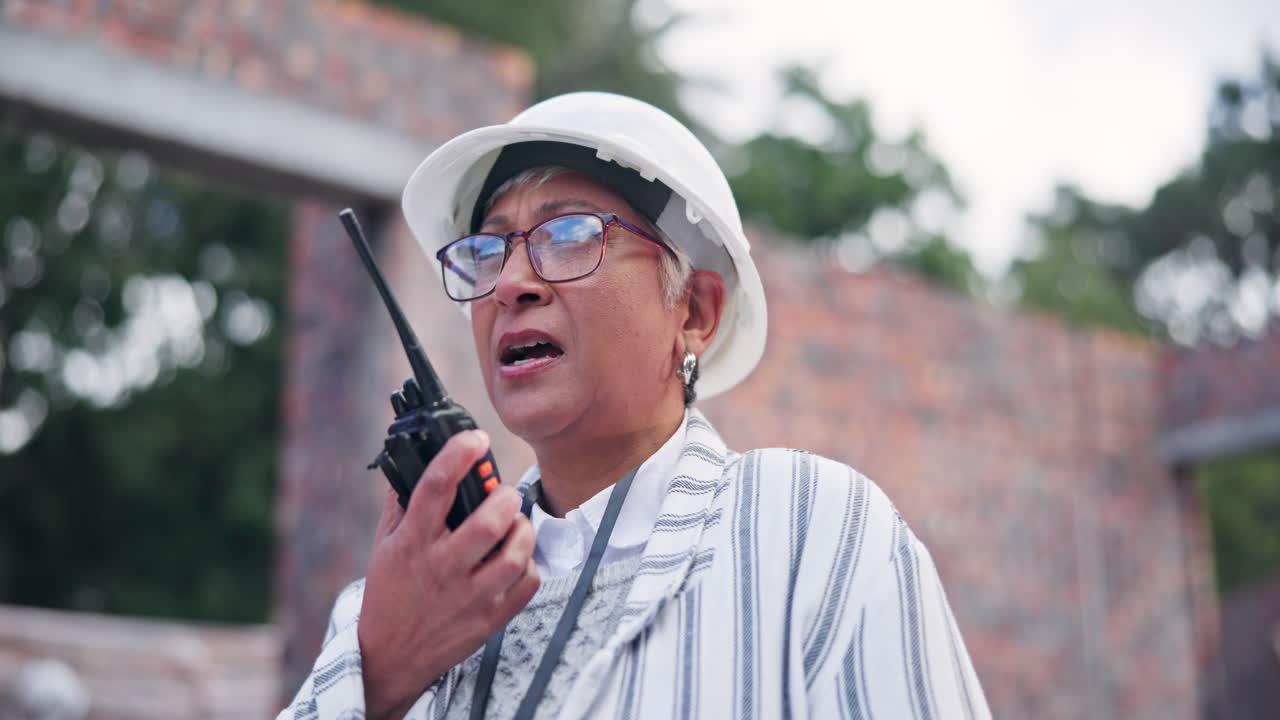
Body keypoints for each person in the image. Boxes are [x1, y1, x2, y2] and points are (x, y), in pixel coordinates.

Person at [281, 92, 990, 720]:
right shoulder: (398, 600)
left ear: (696, 311)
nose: (510, 284)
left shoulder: (809, 528)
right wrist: (381, 672)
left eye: (569, 236)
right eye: (489, 250)